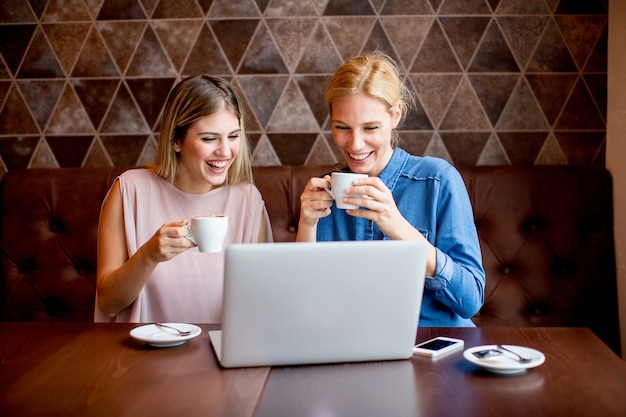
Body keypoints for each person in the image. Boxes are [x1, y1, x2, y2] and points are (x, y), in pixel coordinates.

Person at [296, 52, 485, 326]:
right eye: (342, 128)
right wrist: (307, 225)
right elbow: (304, 307)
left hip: (432, 348)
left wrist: (398, 227)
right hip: (353, 349)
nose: (355, 144)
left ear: (395, 115)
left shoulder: (437, 180)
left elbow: (470, 300)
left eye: (371, 127)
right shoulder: (326, 193)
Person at [95, 75, 273, 323]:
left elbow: (261, 306)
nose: (225, 151)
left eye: (233, 136)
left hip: (220, 353)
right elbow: (108, 304)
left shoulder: (247, 200)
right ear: (176, 140)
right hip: (143, 356)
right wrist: (149, 255)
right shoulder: (129, 190)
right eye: (209, 138)